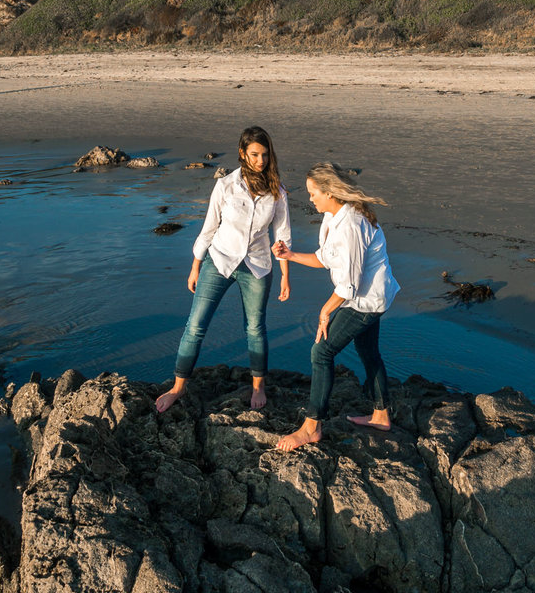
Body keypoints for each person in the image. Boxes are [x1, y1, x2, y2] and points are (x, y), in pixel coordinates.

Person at [155, 126, 291, 413]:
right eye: (254, 154)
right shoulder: (226, 186)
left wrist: (285, 277)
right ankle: (178, 388)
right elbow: (209, 228)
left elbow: (282, 237)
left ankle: (258, 386)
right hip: (219, 260)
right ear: (242, 153)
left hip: (258, 266)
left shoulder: (276, 191)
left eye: (265, 155)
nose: (260, 160)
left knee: (255, 328)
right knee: (196, 325)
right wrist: (195, 266)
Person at [271, 162, 399, 452]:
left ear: (330, 192)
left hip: (366, 300)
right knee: (368, 351)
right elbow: (324, 258)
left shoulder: (352, 224)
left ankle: (311, 426)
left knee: (321, 351)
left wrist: (325, 311)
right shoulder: (334, 217)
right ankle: (381, 415)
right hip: (367, 296)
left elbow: (349, 284)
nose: (310, 198)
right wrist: (290, 255)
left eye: (314, 192)